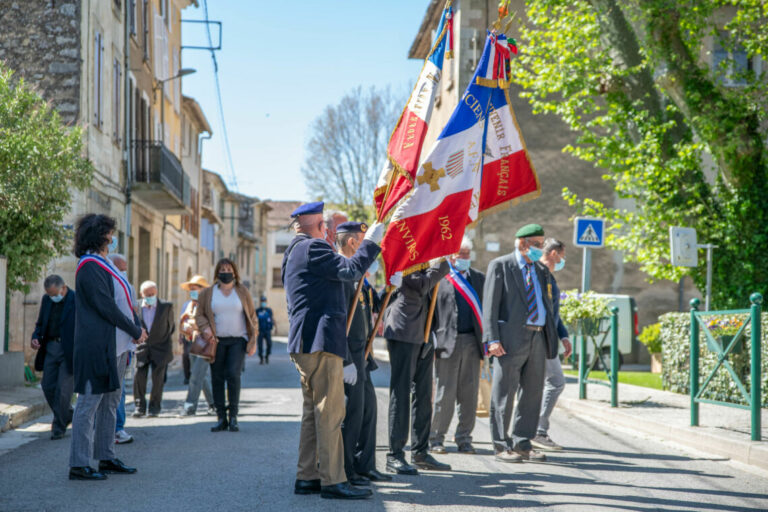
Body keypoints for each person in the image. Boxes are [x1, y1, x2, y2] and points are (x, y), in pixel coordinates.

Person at [282, 202, 382, 500]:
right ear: (318, 226)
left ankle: (307, 476)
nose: (329, 232)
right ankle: (333, 480)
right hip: (321, 342)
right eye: (328, 227)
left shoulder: (294, 250)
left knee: (313, 413)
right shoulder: (314, 248)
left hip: (307, 342)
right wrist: (372, 244)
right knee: (330, 413)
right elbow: (351, 270)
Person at [69, 213, 147, 481]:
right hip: (97, 347)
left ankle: (106, 456)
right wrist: (135, 329)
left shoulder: (104, 263)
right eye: (110, 234)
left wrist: (135, 327)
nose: (113, 238)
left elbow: (125, 298)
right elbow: (106, 305)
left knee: (111, 403)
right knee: (89, 403)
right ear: (99, 235)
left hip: (116, 346)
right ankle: (79, 464)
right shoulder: (89, 266)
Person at [483, 224, 559, 463]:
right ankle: (500, 444)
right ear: (523, 243)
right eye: (538, 244)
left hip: (537, 337)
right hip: (509, 339)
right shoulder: (501, 266)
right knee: (504, 392)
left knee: (533, 392)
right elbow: (490, 307)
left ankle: (522, 442)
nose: (541, 248)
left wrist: (554, 335)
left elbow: (548, 304)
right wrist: (492, 339)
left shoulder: (540, 270)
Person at [336, 222, 392, 487]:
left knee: (369, 410)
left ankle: (366, 464)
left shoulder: (362, 280)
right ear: (353, 243)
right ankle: (346, 469)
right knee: (353, 413)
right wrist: (346, 360)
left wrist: (394, 287)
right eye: (364, 241)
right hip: (350, 353)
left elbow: (376, 307)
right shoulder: (343, 274)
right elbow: (337, 323)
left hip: (364, 354)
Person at [383, 260, 451, 475]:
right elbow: (421, 284)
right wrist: (441, 265)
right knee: (401, 394)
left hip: (425, 330)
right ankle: (395, 454)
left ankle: (420, 451)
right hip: (404, 329)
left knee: (423, 395)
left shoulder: (424, 257)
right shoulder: (405, 253)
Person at [429, 237, 485, 455]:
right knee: (445, 394)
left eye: (466, 254)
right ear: (451, 256)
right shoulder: (439, 278)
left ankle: (464, 438)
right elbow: (431, 314)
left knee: (469, 394)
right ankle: (436, 439)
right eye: (459, 253)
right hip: (446, 345)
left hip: (472, 342)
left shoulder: (479, 279)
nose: (463, 258)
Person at [195, 258, 259, 432]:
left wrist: (253, 340)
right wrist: (206, 328)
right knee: (217, 378)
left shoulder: (242, 291)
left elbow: (252, 317)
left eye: (229, 269)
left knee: (233, 374)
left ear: (234, 272)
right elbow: (199, 314)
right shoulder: (208, 293)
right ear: (217, 272)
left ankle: (233, 417)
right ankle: (221, 417)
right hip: (216, 341)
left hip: (238, 340)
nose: (225, 272)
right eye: (222, 269)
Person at [531, 238, 572, 452]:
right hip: (540, 339)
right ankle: (537, 430)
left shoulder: (548, 276)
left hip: (548, 338)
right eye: (562, 255)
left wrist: (563, 335)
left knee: (536, 385)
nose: (563, 259)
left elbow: (553, 312)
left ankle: (528, 430)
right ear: (554, 253)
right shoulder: (540, 273)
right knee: (555, 382)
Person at [31, 275, 75, 440]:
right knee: (48, 386)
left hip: (69, 350)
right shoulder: (47, 300)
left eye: (55, 293)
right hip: (51, 347)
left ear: (63, 288)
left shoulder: (76, 300)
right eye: (49, 294)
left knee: (63, 390)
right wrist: (35, 337)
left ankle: (58, 426)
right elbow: (40, 323)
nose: (52, 297)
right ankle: (68, 414)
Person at [132, 281, 175, 418]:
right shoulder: (136, 306)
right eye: (147, 294)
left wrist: (161, 338)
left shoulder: (166, 306)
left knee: (158, 379)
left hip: (161, 347)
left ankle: (155, 407)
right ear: (141, 294)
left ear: (156, 293)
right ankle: (139, 406)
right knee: (139, 377)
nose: (150, 296)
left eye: (152, 294)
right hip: (142, 347)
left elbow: (171, 327)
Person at [107, 253, 136, 445]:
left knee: (120, 390)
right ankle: (110, 431)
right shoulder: (110, 283)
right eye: (121, 268)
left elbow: (132, 312)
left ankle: (117, 428)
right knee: (111, 391)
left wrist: (137, 332)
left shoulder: (125, 285)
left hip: (125, 346)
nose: (124, 272)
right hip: (110, 344)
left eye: (125, 269)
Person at [179, 275, 215, 417]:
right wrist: (184, 329)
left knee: (195, 375)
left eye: (195, 289)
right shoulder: (186, 305)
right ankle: (215, 404)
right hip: (191, 342)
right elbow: (182, 324)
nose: (192, 291)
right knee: (201, 375)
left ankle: (190, 406)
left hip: (205, 342)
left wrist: (195, 325)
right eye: (191, 289)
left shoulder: (209, 305)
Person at [256, 296, 274, 364]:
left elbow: (272, 318)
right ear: (260, 302)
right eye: (262, 301)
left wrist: (274, 327)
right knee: (260, 345)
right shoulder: (257, 311)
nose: (263, 303)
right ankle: (261, 358)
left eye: (264, 301)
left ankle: (267, 356)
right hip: (260, 330)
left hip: (267, 330)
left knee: (269, 344)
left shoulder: (269, 310)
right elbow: (254, 320)